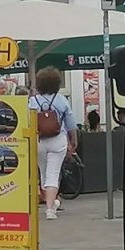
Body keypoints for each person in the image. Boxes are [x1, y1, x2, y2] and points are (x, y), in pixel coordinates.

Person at [28, 67, 77, 220]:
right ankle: (50, 208)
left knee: (43, 173)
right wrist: (73, 141)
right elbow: (71, 125)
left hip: (39, 141)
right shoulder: (62, 100)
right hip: (58, 140)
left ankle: (51, 201)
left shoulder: (33, 101)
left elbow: (28, 122)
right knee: (53, 174)